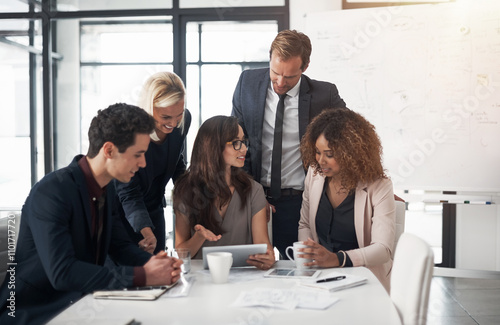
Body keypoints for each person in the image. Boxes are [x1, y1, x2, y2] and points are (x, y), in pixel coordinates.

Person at [0, 103, 183, 324]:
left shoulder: (107, 190)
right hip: (36, 311)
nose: (143, 163)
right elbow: (63, 272)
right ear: (109, 150)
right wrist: (143, 275)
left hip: (83, 303)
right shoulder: (52, 192)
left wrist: (157, 265)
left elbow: (121, 247)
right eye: (138, 154)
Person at [231, 29, 347, 259]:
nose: (280, 82)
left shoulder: (325, 94)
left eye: (290, 77)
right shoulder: (248, 82)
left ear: (305, 67)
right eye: (275, 73)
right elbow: (236, 141)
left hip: (299, 202)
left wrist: (374, 182)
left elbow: (354, 138)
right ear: (270, 58)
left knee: (298, 269)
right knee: (250, 269)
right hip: (253, 196)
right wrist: (252, 193)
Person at [297, 108, 396, 292]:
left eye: (330, 154)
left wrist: (337, 259)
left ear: (352, 154)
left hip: (366, 279)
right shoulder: (314, 174)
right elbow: (305, 225)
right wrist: (309, 255)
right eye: (318, 152)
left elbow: (383, 250)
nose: (321, 161)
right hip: (321, 278)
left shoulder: (379, 186)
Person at [173, 116, 275, 270]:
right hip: (201, 282)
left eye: (243, 141)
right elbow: (182, 253)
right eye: (236, 143)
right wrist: (199, 237)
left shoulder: (254, 190)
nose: (244, 149)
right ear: (214, 147)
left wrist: (268, 257)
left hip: (244, 279)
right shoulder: (186, 191)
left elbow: (264, 246)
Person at [115, 71, 191, 254]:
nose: (173, 123)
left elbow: (176, 161)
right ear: (149, 108)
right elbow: (128, 192)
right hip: (123, 213)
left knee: (158, 266)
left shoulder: (184, 120)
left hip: (155, 208)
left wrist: (191, 193)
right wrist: (145, 231)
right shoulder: (129, 132)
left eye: (178, 115)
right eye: (166, 117)